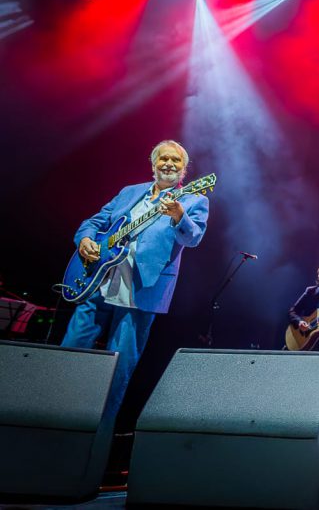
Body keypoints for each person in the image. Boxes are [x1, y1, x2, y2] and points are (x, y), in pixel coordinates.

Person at [61, 140, 209, 422]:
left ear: (184, 169)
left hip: (141, 291)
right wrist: (85, 240)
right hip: (98, 283)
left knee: (118, 371)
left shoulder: (193, 200)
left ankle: (99, 434)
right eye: (163, 158)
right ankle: (53, 417)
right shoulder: (129, 192)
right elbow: (93, 223)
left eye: (176, 160)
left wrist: (179, 216)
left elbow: (193, 238)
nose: (169, 164)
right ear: (153, 164)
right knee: (70, 353)